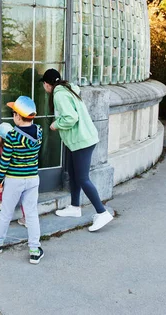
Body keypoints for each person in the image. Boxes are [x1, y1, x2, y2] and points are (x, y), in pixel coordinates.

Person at [40, 68, 113, 232]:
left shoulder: (59, 94)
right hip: (80, 139)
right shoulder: (67, 89)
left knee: (82, 178)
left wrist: (55, 124)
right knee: (74, 174)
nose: (44, 88)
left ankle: (102, 212)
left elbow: (71, 117)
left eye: (44, 84)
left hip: (82, 141)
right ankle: (74, 206)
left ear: (47, 84)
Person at [0, 96, 44, 264]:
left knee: (6, 211)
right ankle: (35, 249)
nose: (13, 116)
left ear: (19, 117)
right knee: (31, 213)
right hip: (33, 178)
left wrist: (0, 179)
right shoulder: (39, 132)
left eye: (14, 113)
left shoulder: (12, 136)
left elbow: (5, 160)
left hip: (14, 179)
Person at [0, 122, 26, 227]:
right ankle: (27, 218)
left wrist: (0, 179)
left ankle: (2, 202)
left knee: (1, 183)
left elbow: (4, 165)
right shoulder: (17, 144)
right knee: (25, 198)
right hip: (24, 174)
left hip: (12, 175)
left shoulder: (5, 148)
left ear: (0, 137)